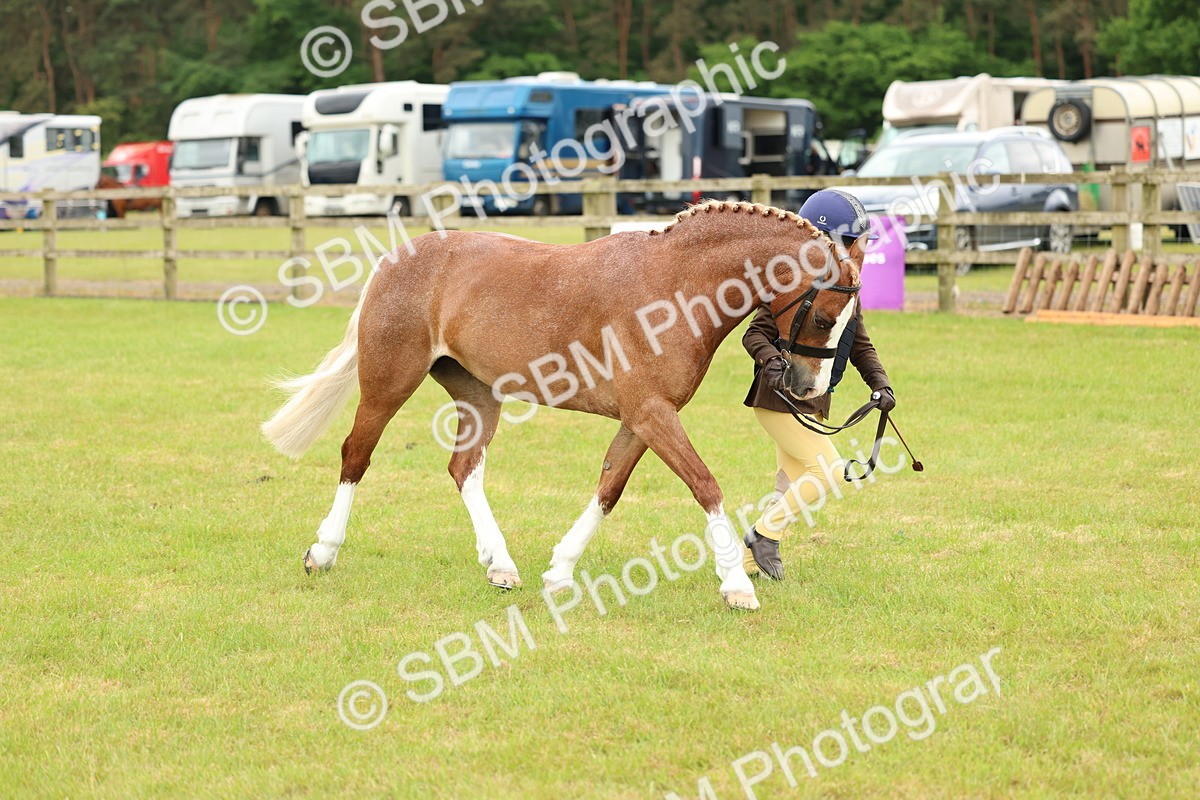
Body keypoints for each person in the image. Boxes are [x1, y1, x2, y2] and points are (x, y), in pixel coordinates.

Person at [741, 189, 896, 580]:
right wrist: (774, 363)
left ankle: (742, 567)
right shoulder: (791, 284)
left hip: (813, 400)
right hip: (777, 397)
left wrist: (881, 384)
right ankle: (764, 536)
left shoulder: (845, 290)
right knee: (827, 472)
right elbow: (753, 335)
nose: (860, 252)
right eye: (853, 244)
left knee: (788, 487)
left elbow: (860, 345)